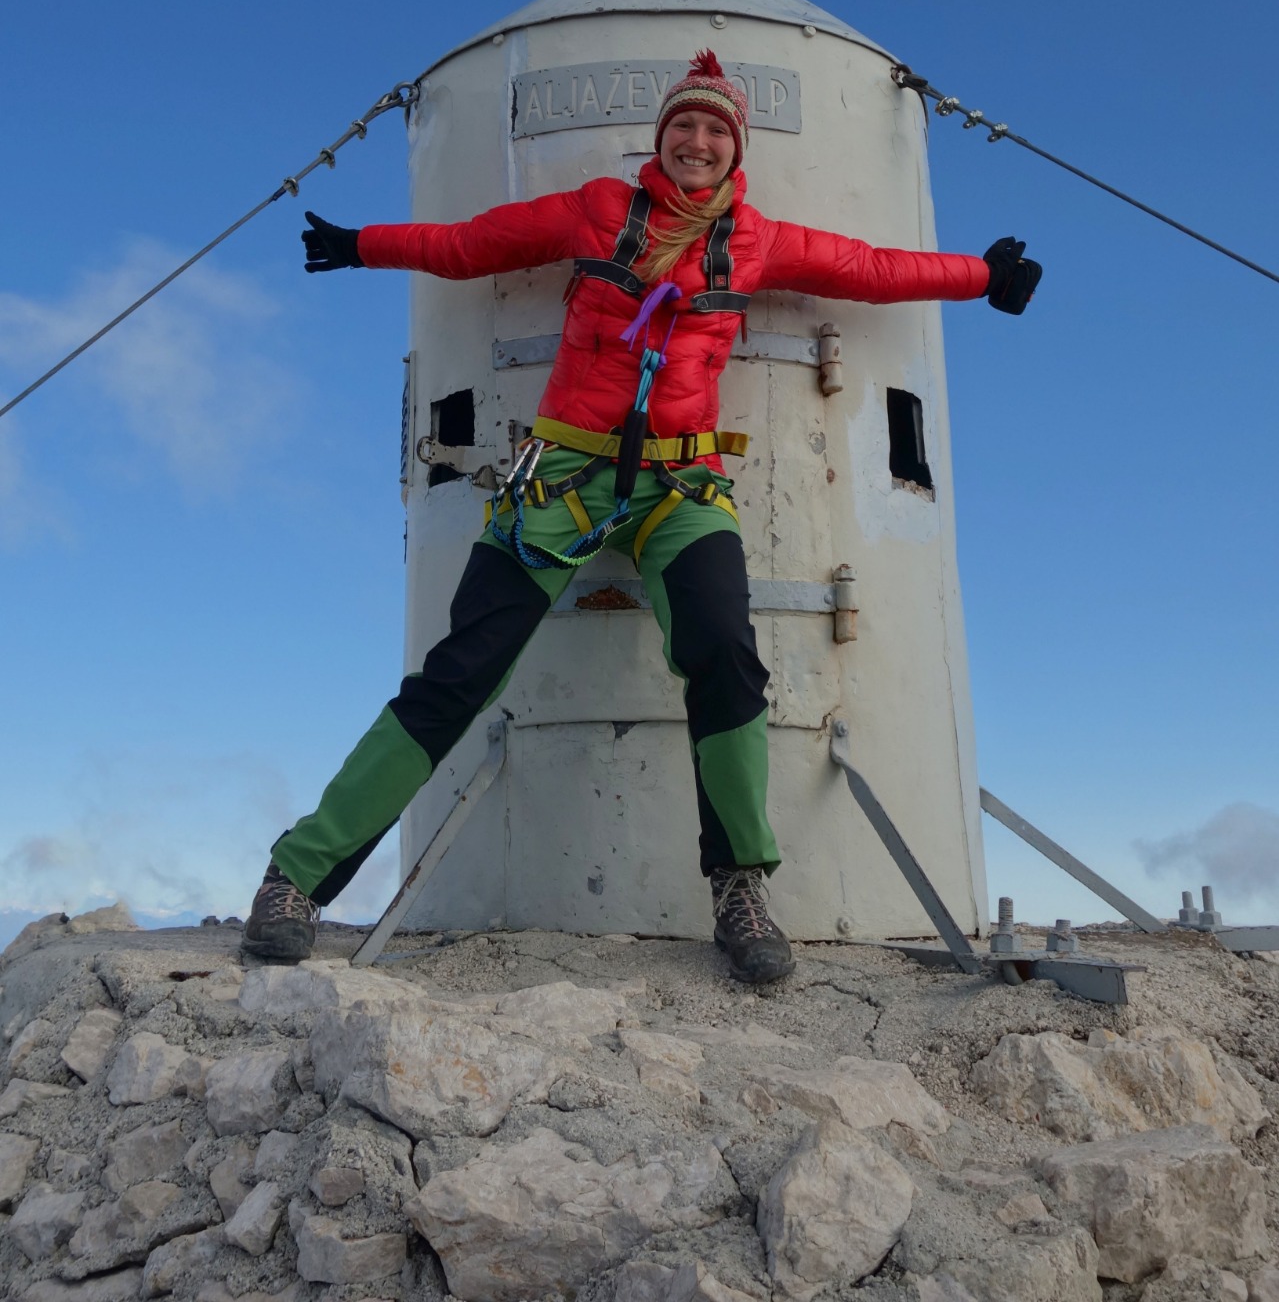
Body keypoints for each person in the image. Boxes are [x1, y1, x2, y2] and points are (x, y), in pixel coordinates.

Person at [242, 49, 1041, 984]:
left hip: (681, 488)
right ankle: (296, 878)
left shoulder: (756, 240)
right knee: (458, 672)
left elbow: (865, 268)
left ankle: (740, 887)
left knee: (726, 658)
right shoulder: (595, 211)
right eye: (682, 126)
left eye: (714, 129)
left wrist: (978, 277)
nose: (697, 142)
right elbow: (471, 245)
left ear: (735, 148)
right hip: (560, 478)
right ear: (660, 139)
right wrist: (361, 244)